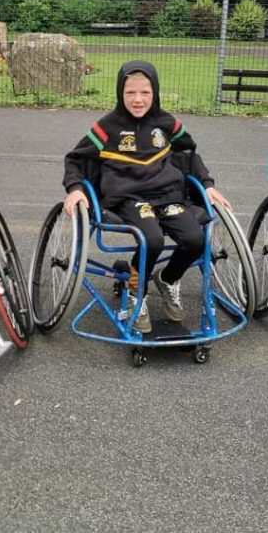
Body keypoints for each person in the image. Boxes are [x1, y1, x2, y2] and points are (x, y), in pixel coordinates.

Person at [62, 61, 232, 333]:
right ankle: (136, 293)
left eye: (145, 92)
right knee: (151, 239)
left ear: (155, 92)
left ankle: (168, 278)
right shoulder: (107, 127)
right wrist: (75, 189)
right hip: (129, 197)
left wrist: (207, 184)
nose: (138, 99)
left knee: (196, 240)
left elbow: (189, 154)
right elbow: (76, 159)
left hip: (167, 195)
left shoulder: (167, 123)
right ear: (120, 92)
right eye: (130, 92)